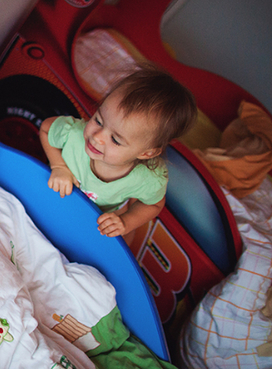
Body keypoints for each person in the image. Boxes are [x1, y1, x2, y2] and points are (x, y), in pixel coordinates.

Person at [39, 64, 197, 241]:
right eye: (98, 121)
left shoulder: (148, 178)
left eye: (115, 140)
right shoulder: (74, 135)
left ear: (146, 153)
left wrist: (126, 222)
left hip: (98, 215)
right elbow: (46, 128)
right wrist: (59, 166)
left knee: (125, 236)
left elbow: (153, 205)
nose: (97, 137)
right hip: (56, 193)